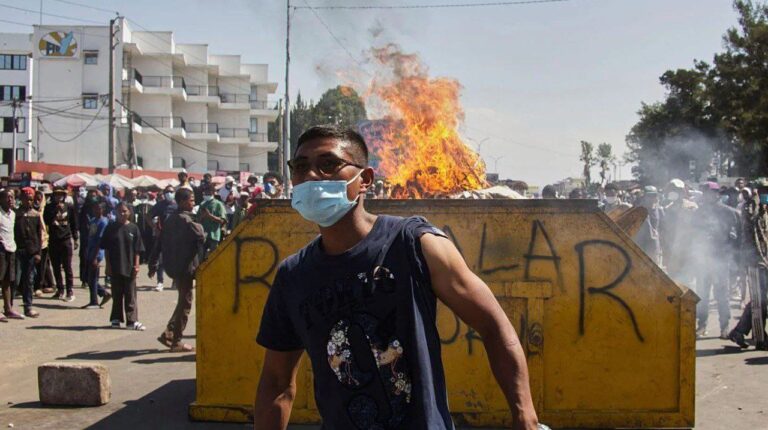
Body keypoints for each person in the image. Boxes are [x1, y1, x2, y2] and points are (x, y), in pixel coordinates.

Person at [253, 126, 539, 429]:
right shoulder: (293, 275)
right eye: (300, 166)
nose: (311, 175)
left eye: (328, 164)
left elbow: (494, 326)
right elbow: (277, 381)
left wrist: (525, 416)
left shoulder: (414, 244)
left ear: (364, 180)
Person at [149, 188, 204, 352]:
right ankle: (176, 340)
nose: (193, 203)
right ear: (182, 202)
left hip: (174, 267)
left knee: (182, 301)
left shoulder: (170, 219)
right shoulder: (185, 220)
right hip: (185, 267)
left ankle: (169, 333)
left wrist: (153, 263)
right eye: (191, 200)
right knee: (185, 303)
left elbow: (158, 242)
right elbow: (201, 236)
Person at [693, 182, 741, 339]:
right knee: (702, 294)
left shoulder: (729, 213)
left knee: (722, 294)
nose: (706, 196)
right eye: (704, 192)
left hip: (721, 259)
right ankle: (702, 325)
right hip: (702, 259)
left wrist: (731, 256)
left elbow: (736, 238)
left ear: (716, 194)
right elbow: (691, 235)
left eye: (709, 193)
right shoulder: (698, 213)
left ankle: (724, 326)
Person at [101, 202, 145, 330]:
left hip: (129, 266)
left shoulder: (133, 228)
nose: (122, 213)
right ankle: (116, 319)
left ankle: (132, 321)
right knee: (117, 293)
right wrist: (107, 265)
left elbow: (137, 249)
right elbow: (107, 249)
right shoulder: (110, 228)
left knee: (130, 294)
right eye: (119, 211)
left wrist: (136, 265)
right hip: (115, 266)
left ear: (129, 212)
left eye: (125, 211)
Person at [44, 186, 79, 302]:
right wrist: (55, 211)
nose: (58, 197)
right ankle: (60, 289)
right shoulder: (49, 207)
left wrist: (75, 238)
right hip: (54, 240)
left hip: (66, 239)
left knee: (67, 266)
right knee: (56, 267)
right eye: (56, 195)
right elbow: (46, 221)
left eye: (61, 195)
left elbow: (74, 223)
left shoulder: (69, 207)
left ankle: (70, 290)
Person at [14, 187, 42, 318]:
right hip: (17, 250)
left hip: (31, 252)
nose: (29, 202)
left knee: (29, 280)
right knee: (15, 279)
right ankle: (9, 306)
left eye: (31, 199)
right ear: (22, 200)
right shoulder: (15, 214)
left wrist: (38, 253)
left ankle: (28, 306)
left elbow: (38, 235)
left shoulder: (35, 215)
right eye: (26, 199)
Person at [149, 185, 178, 292]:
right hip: (162, 235)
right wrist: (154, 227)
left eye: (171, 192)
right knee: (160, 260)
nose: (169, 194)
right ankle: (160, 282)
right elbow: (149, 215)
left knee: (174, 259)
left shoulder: (177, 205)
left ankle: (175, 281)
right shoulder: (160, 205)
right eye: (167, 192)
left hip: (175, 236)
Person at [83, 202, 111, 309]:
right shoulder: (93, 221)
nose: (96, 210)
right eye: (94, 208)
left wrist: (95, 257)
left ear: (102, 210)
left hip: (97, 252)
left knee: (93, 277)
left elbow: (100, 241)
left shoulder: (103, 222)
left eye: (98, 209)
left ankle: (94, 301)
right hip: (90, 250)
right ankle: (103, 293)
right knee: (88, 277)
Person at [0, 189, 21, 321]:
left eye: (12, 197)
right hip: (0, 250)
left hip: (11, 249)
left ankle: (8, 309)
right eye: (7, 197)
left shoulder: (12, 214)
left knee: (8, 281)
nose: (10, 200)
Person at [198, 184, 227, 257]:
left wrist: (210, 216)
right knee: (201, 257)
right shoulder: (202, 204)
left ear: (213, 192)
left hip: (214, 235)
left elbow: (222, 221)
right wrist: (202, 217)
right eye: (205, 192)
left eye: (209, 192)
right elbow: (197, 220)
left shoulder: (218, 204)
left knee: (212, 257)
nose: (207, 194)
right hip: (203, 235)